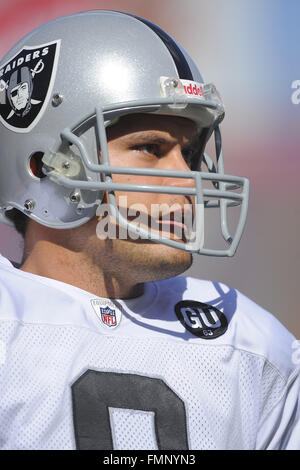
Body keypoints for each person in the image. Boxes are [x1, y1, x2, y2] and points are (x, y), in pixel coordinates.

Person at [0, 10, 299, 451]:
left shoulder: (253, 342)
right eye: (150, 148)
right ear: (45, 166)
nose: (186, 179)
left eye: (190, 152)